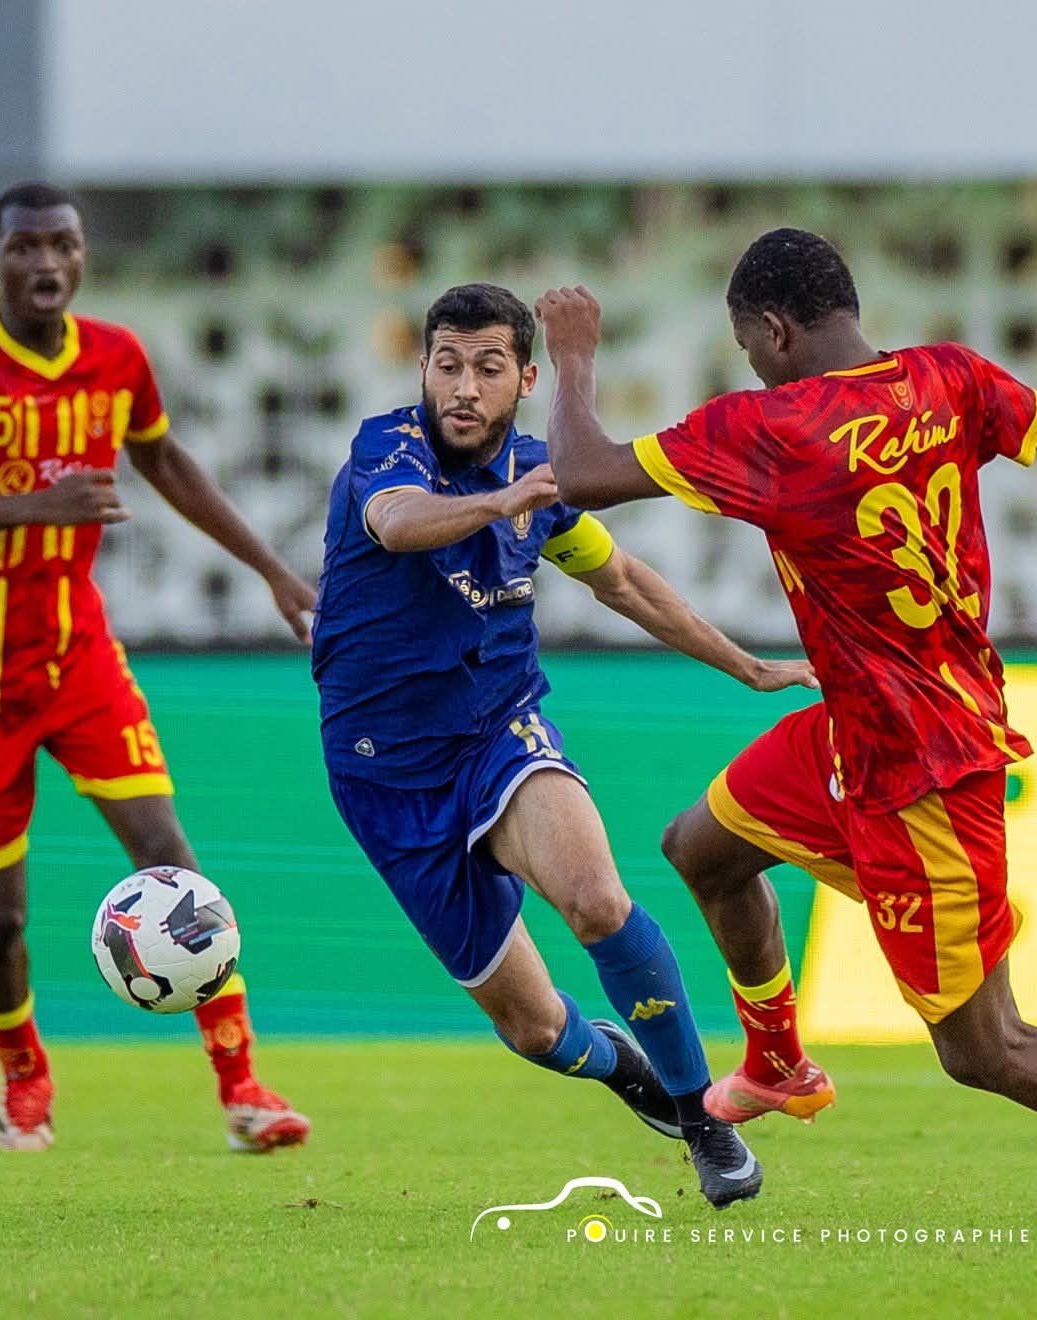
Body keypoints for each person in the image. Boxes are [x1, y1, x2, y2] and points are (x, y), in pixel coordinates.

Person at [534, 229, 1037, 1242]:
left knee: (982, 1049)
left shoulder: (774, 427)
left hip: (918, 765)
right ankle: (777, 1064)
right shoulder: (944, 378)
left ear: (773, 330)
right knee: (703, 848)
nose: (751, 366)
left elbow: (582, 471)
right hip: (854, 727)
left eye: (748, 347)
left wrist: (569, 356)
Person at [310, 282, 813, 1208]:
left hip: (501, 728)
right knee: (536, 1028)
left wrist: (744, 665)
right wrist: (507, 500)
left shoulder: (540, 483)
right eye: (447, 365)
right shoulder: (390, 448)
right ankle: (627, 1072)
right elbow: (396, 523)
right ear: (423, 369)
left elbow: (622, 580)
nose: (464, 387)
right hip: (384, 773)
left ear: (526, 376)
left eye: (488, 368)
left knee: (594, 899)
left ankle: (703, 1117)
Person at [0, 182, 314, 1154]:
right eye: (23, 248)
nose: (44, 265)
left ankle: (243, 1089)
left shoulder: (115, 358)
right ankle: (24, 1079)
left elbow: (168, 462)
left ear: (82, 257)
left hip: (77, 659)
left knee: (175, 866)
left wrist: (272, 569)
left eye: (61, 245)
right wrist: (35, 508)